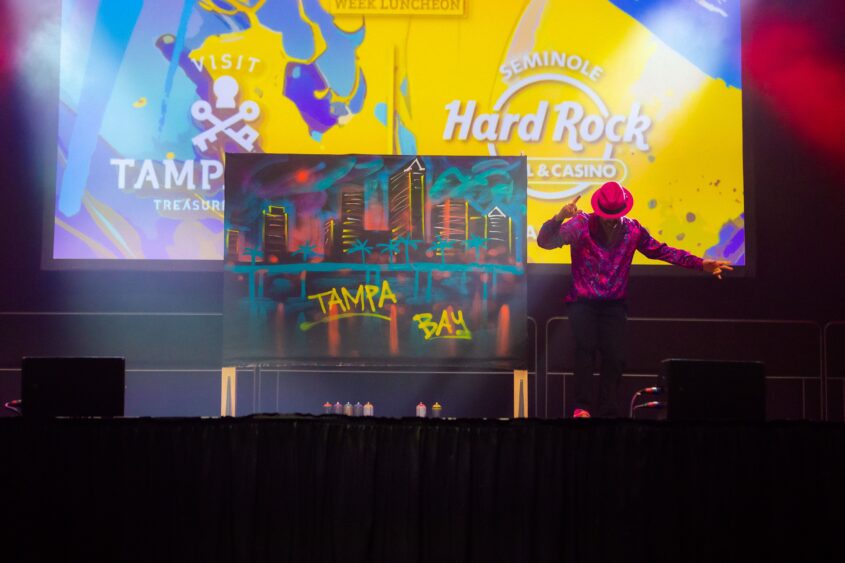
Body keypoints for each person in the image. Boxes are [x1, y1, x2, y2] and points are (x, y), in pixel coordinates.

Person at [537, 181, 732, 418]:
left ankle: (608, 411)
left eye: (615, 216)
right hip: (583, 301)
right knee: (585, 350)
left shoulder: (632, 230)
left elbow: (662, 251)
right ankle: (582, 407)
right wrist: (559, 217)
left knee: (615, 358)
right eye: (607, 216)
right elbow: (544, 242)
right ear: (598, 210)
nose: (611, 221)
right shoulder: (580, 224)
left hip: (614, 304)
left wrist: (700, 264)